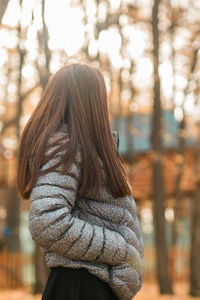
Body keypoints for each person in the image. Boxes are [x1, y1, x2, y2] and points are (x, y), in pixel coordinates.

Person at [16, 63, 144, 300]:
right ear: (91, 101)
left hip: (93, 282)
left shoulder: (86, 149)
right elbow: (47, 222)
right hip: (80, 285)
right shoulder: (66, 146)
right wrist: (119, 248)